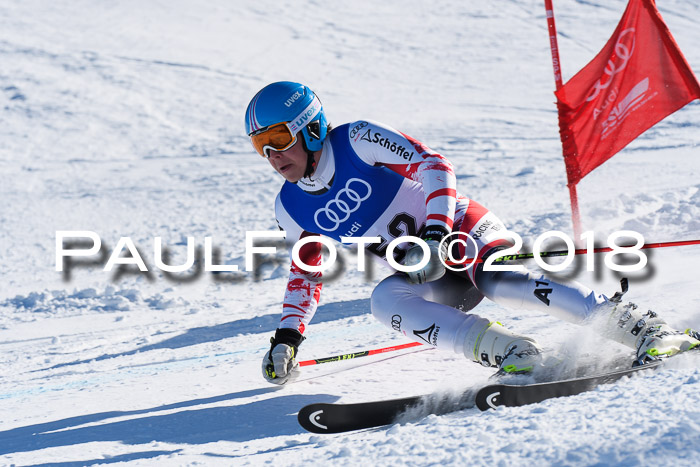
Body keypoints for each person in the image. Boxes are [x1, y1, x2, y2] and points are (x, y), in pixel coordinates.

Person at [244, 81, 699, 385]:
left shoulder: (357, 139)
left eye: (279, 138)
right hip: (429, 276)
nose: (272, 155)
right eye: (261, 146)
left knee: (498, 279)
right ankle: (513, 353)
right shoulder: (290, 208)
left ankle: (644, 330)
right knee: (384, 300)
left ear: (311, 126)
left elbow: (433, 164)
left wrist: (438, 234)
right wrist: (287, 338)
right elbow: (306, 275)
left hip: (462, 234)